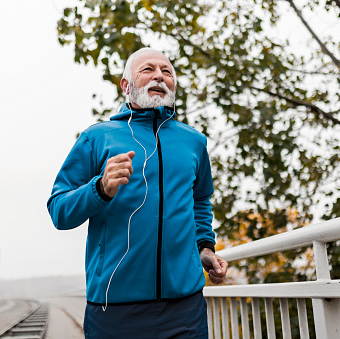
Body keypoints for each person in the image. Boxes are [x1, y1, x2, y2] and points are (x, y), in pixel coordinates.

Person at [47, 47, 228, 338]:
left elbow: (200, 200)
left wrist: (204, 247)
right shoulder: (97, 137)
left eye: (166, 72)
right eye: (148, 69)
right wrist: (100, 188)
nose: (159, 76)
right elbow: (59, 211)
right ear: (126, 85)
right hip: (114, 308)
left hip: (185, 306)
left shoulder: (194, 141)